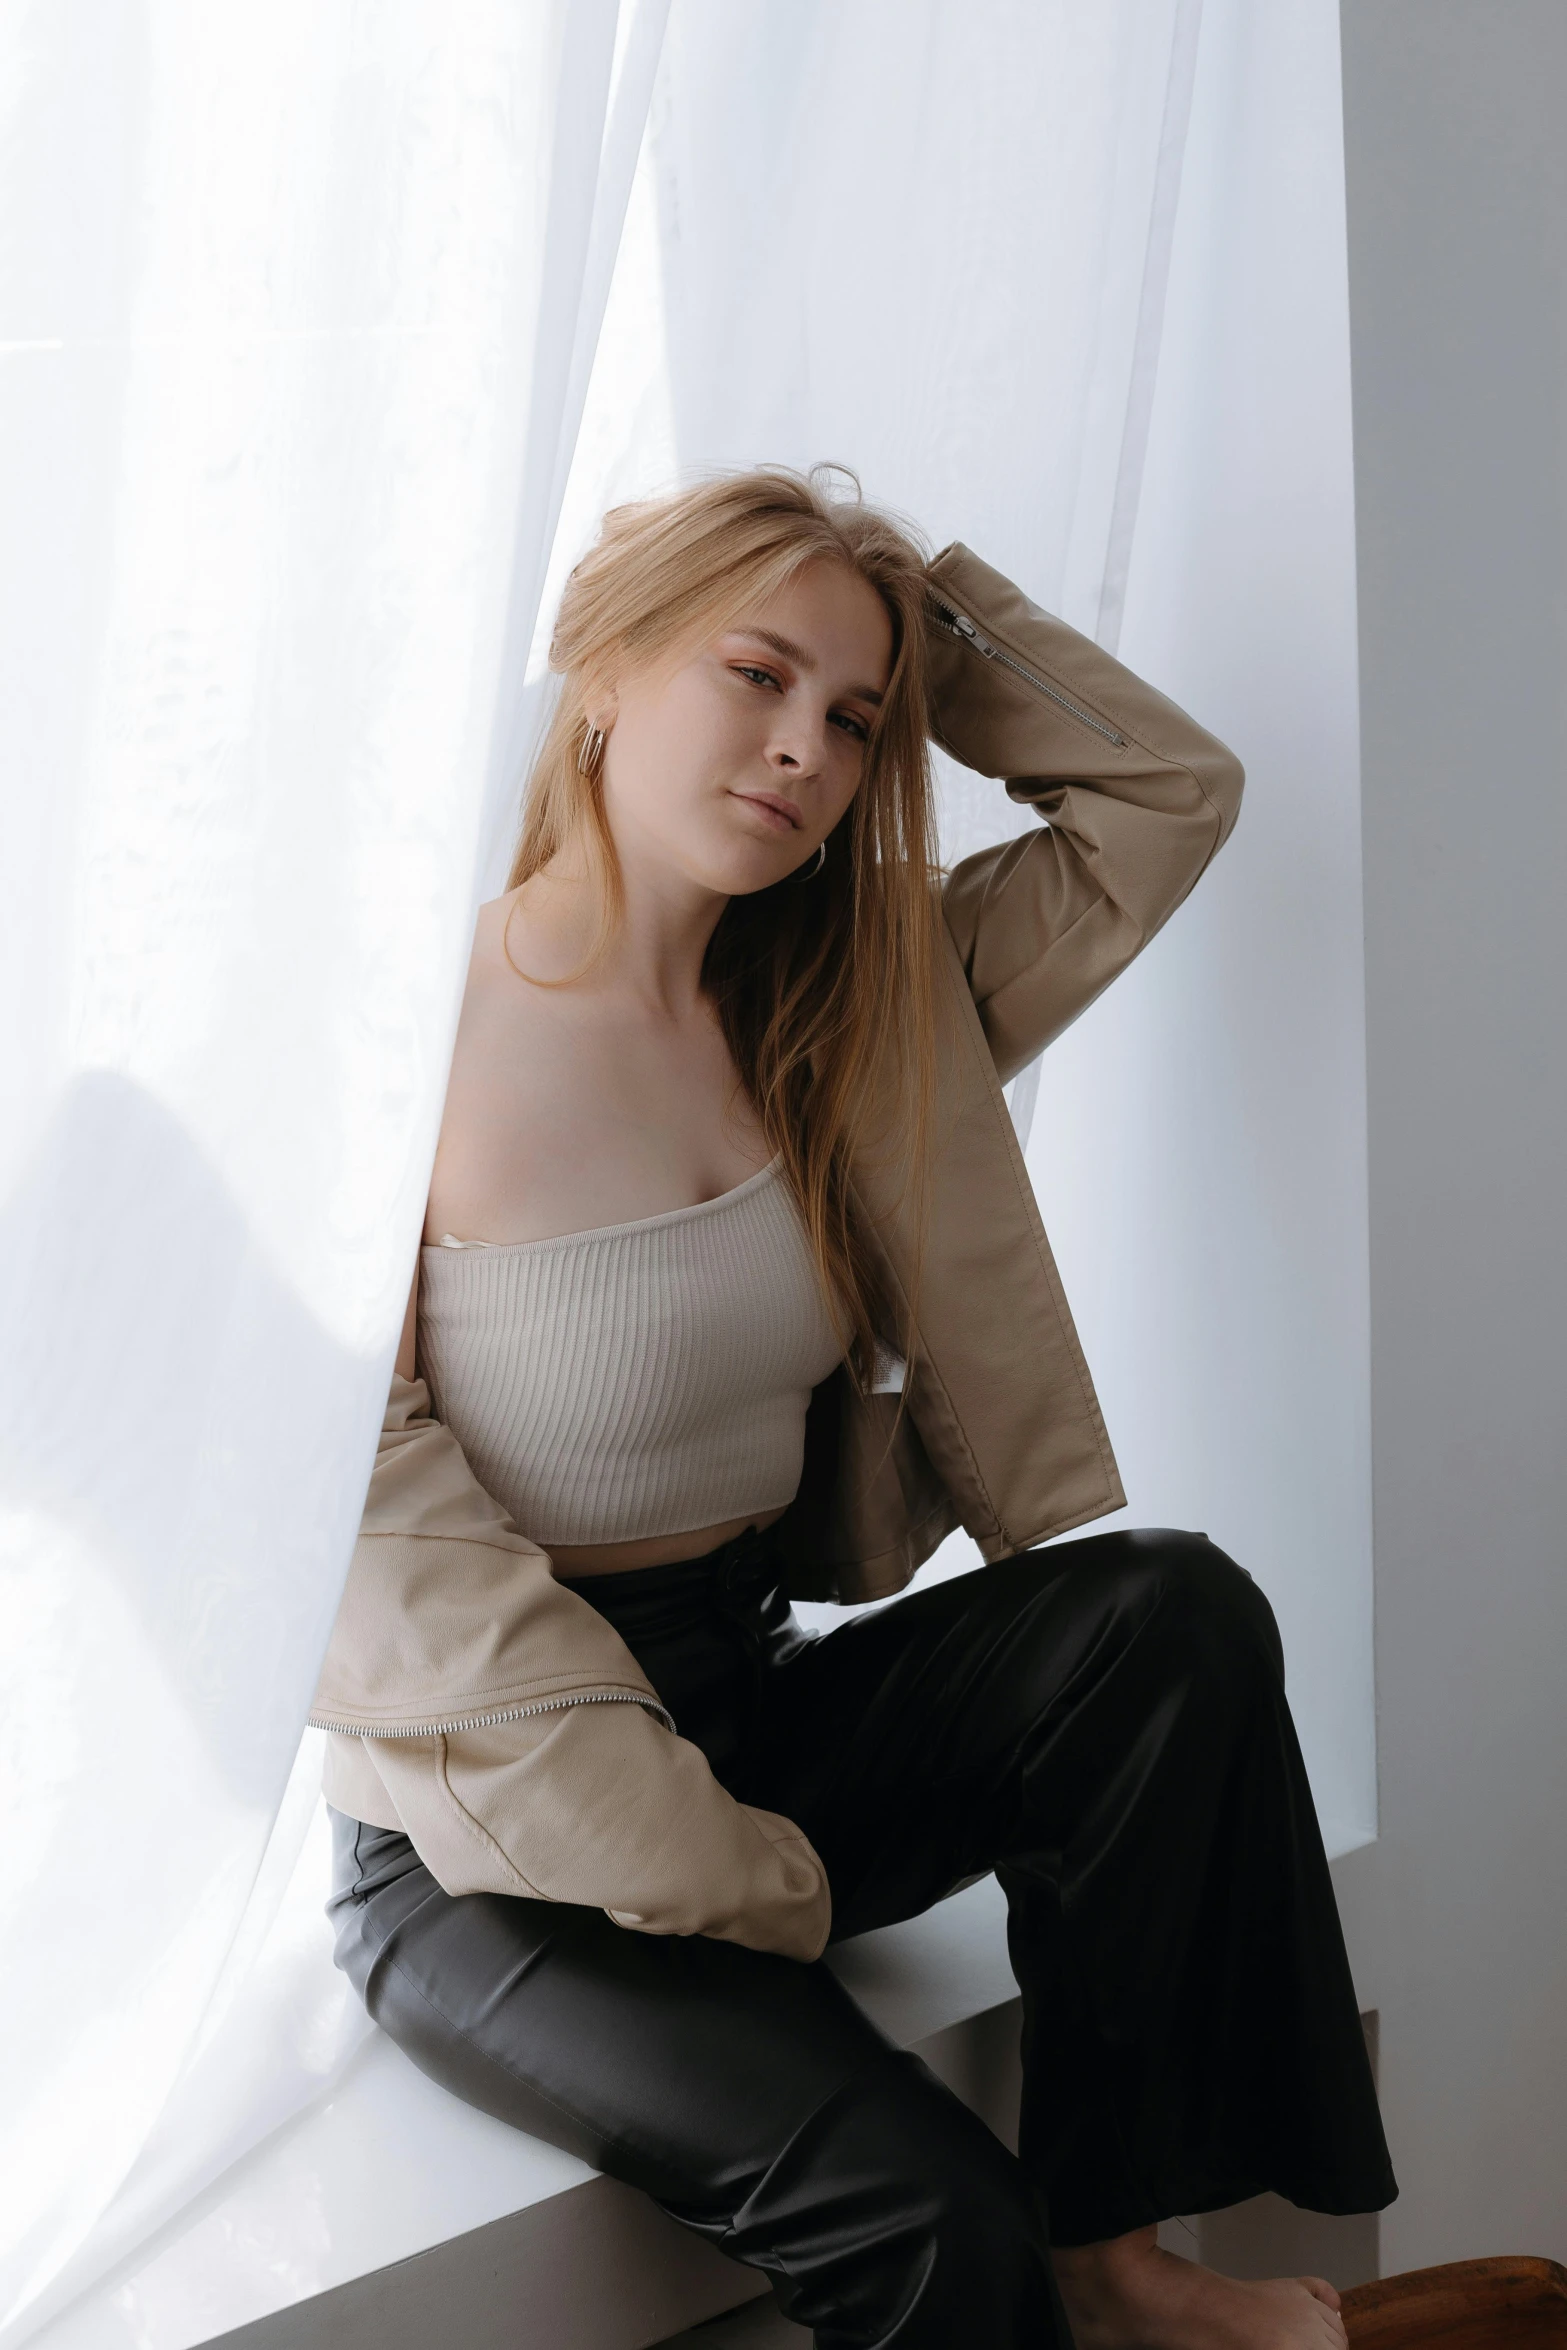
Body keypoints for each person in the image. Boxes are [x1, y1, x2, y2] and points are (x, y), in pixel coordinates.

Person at [312, 468, 1395, 2349]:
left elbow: (1164, 799)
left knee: (1173, 1612)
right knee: (929, 2229)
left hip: (749, 1698)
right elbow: (363, 1537)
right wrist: (724, 1867)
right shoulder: (398, 1038)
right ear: (601, 665)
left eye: (852, 717)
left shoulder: (854, 999)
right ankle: (1027, 2252)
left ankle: (1116, 2254)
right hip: (489, 1821)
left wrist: (915, 607)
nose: (803, 747)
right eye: (753, 673)